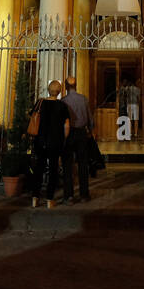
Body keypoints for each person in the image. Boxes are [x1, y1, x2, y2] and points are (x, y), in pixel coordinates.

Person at [30, 79, 69, 209]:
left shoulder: (39, 103)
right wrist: (64, 139)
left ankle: (35, 198)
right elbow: (67, 126)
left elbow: (32, 118)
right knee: (53, 170)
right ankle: (49, 199)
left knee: (39, 169)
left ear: (48, 90)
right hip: (55, 142)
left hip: (40, 141)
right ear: (59, 92)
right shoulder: (62, 106)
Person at [60, 74, 93, 203]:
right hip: (81, 133)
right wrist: (90, 131)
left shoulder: (63, 101)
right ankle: (84, 195)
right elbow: (90, 118)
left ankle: (69, 196)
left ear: (66, 87)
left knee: (68, 165)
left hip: (68, 134)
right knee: (83, 164)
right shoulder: (83, 99)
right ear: (76, 85)